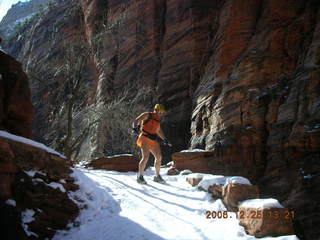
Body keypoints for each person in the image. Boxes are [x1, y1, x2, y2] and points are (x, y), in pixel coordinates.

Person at [132, 104, 172, 184]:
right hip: (144, 138)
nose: (161, 114)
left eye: (162, 112)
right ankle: (140, 176)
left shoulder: (158, 120)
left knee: (159, 156)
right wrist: (135, 128)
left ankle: (157, 176)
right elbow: (136, 120)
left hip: (153, 140)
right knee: (146, 157)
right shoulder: (147, 115)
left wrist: (165, 139)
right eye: (160, 112)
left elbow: (158, 131)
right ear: (156, 110)